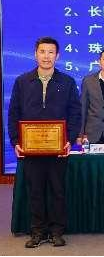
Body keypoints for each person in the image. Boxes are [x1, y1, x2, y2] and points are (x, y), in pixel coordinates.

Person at [8, 37, 81, 248]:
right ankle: (38, 231)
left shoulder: (67, 82)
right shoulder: (22, 81)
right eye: (42, 51)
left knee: (58, 190)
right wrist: (15, 141)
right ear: (35, 54)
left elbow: (75, 113)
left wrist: (69, 140)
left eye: (51, 52)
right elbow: (14, 113)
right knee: (36, 191)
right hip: (31, 148)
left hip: (58, 148)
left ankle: (57, 231)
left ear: (57, 56)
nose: (46, 56)